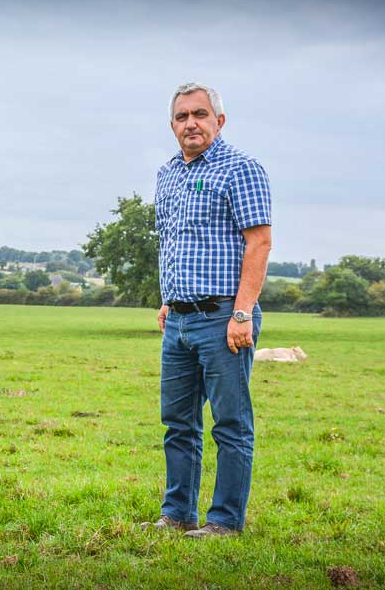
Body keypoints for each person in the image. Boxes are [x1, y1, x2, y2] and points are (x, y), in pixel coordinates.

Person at [142, 82, 272, 538]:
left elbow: (259, 242)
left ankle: (224, 521)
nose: (190, 123)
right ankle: (177, 514)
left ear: (220, 120)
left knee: (231, 424)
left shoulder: (242, 169)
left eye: (200, 114)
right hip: (178, 318)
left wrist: (242, 313)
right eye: (181, 117)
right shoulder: (167, 174)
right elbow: (174, 242)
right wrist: (167, 298)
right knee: (178, 423)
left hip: (223, 317)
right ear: (172, 125)